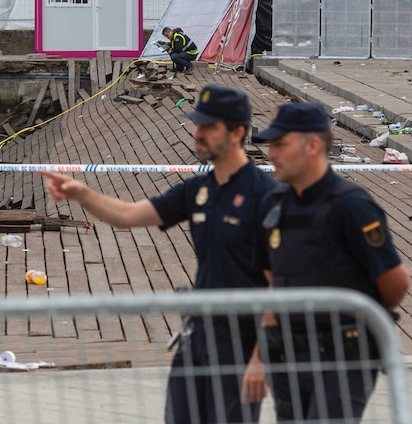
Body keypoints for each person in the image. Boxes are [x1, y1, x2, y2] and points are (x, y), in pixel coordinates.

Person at [41, 84, 275, 423]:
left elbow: (278, 283)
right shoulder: (198, 190)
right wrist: (82, 194)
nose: (198, 133)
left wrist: (260, 359)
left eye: (209, 127)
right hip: (197, 335)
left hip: (241, 343)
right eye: (197, 124)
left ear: (238, 132)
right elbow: (127, 216)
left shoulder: (264, 195)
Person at [251, 102, 409, 421]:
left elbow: (395, 281)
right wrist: (260, 353)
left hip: (343, 356)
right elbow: (272, 279)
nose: (270, 154)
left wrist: (363, 319)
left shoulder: (350, 205)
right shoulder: (274, 203)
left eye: (280, 144)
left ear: (312, 145)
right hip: (288, 353)